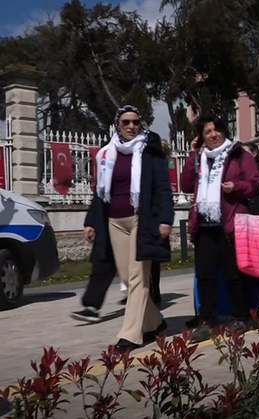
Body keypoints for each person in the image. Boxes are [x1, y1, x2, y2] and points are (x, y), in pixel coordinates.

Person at [84, 105, 173, 352]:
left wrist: (165, 219)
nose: (131, 126)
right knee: (127, 277)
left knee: (137, 278)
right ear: (118, 125)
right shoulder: (106, 153)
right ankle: (155, 322)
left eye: (135, 122)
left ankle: (131, 335)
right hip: (114, 222)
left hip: (141, 221)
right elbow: (100, 191)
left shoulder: (150, 151)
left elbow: (163, 187)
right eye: (126, 122)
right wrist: (91, 221)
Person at [180, 115, 259, 343]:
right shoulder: (199, 158)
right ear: (201, 136)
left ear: (224, 131)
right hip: (204, 225)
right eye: (207, 131)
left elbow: (255, 185)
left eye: (216, 130)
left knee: (234, 275)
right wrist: (192, 155)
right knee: (205, 276)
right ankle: (207, 321)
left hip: (231, 224)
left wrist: (236, 187)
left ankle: (242, 317)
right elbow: (186, 185)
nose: (213, 135)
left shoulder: (239, 155)